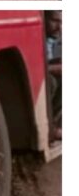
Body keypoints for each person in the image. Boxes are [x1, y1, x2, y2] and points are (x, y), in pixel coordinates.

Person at [44, 10, 62, 141]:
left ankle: (56, 124)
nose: (58, 26)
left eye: (60, 22)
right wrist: (53, 68)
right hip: (45, 78)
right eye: (54, 21)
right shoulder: (37, 38)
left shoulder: (58, 40)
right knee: (51, 82)